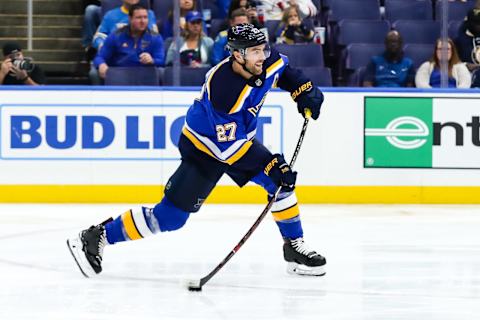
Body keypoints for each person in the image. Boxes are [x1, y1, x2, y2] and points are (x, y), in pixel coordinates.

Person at [67, 23, 326, 278]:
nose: (263, 57)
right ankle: (96, 235)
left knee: (280, 185)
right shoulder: (224, 89)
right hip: (204, 148)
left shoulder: (265, 62)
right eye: (255, 51)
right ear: (237, 55)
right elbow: (227, 148)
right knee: (169, 218)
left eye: (263, 49)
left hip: (238, 142)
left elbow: (285, 71)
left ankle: (293, 246)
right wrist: (269, 163)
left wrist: (304, 90)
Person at [93, 4, 165, 80]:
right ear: (130, 19)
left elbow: (162, 61)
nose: (142, 21)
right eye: (138, 18)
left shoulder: (155, 37)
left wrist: (152, 60)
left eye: (145, 17)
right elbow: (100, 57)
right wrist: (101, 65)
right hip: (120, 75)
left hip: (144, 76)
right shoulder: (116, 36)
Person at [455, 8, 480, 87]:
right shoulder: (458, 40)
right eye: (477, 24)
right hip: (466, 78)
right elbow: (452, 62)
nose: (479, 26)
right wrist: (465, 65)